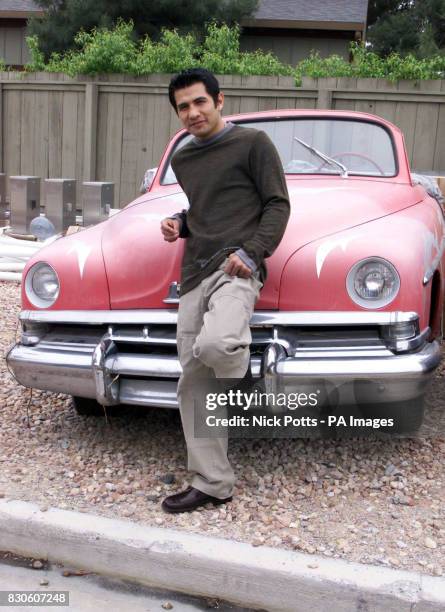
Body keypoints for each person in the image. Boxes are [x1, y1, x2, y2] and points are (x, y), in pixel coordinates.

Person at [160, 68, 290, 513]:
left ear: (219, 101)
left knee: (217, 347)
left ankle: (241, 381)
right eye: (183, 107)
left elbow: (277, 203)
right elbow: (205, 208)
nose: (192, 113)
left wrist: (254, 253)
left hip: (237, 268)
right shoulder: (184, 158)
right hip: (195, 272)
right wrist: (181, 222)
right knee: (192, 381)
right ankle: (213, 483)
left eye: (199, 102)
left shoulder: (254, 144)